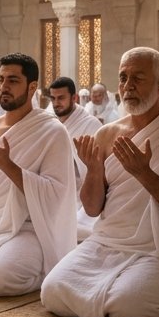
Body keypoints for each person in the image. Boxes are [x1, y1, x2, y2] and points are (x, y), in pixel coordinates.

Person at [41, 48, 159, 317]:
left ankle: (152, 296)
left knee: (133, 307)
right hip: (107, 242)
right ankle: (111, 299)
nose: (128, 87)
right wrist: (94, 170)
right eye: (123, 78)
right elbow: (91, 207)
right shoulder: (107, 133)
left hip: (158, 248)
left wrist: (144, 174)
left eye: (138, 78)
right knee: (51, 291)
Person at [0, 55, 76, 296]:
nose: (4, 87)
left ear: (32, 87)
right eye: (1, 79)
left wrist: (7, 165)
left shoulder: (52, 131)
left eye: (13, 80)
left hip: (29, 229)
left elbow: (56, 193)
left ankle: (45, 272)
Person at [48, 76, 102, 239]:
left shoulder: (91, 125)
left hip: (80, 196)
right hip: (53, 190)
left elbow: (96, 169)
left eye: (61, 98)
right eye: (53, 98)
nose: (56, 103)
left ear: (74, 98)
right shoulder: (50, 122)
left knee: (73, 229)